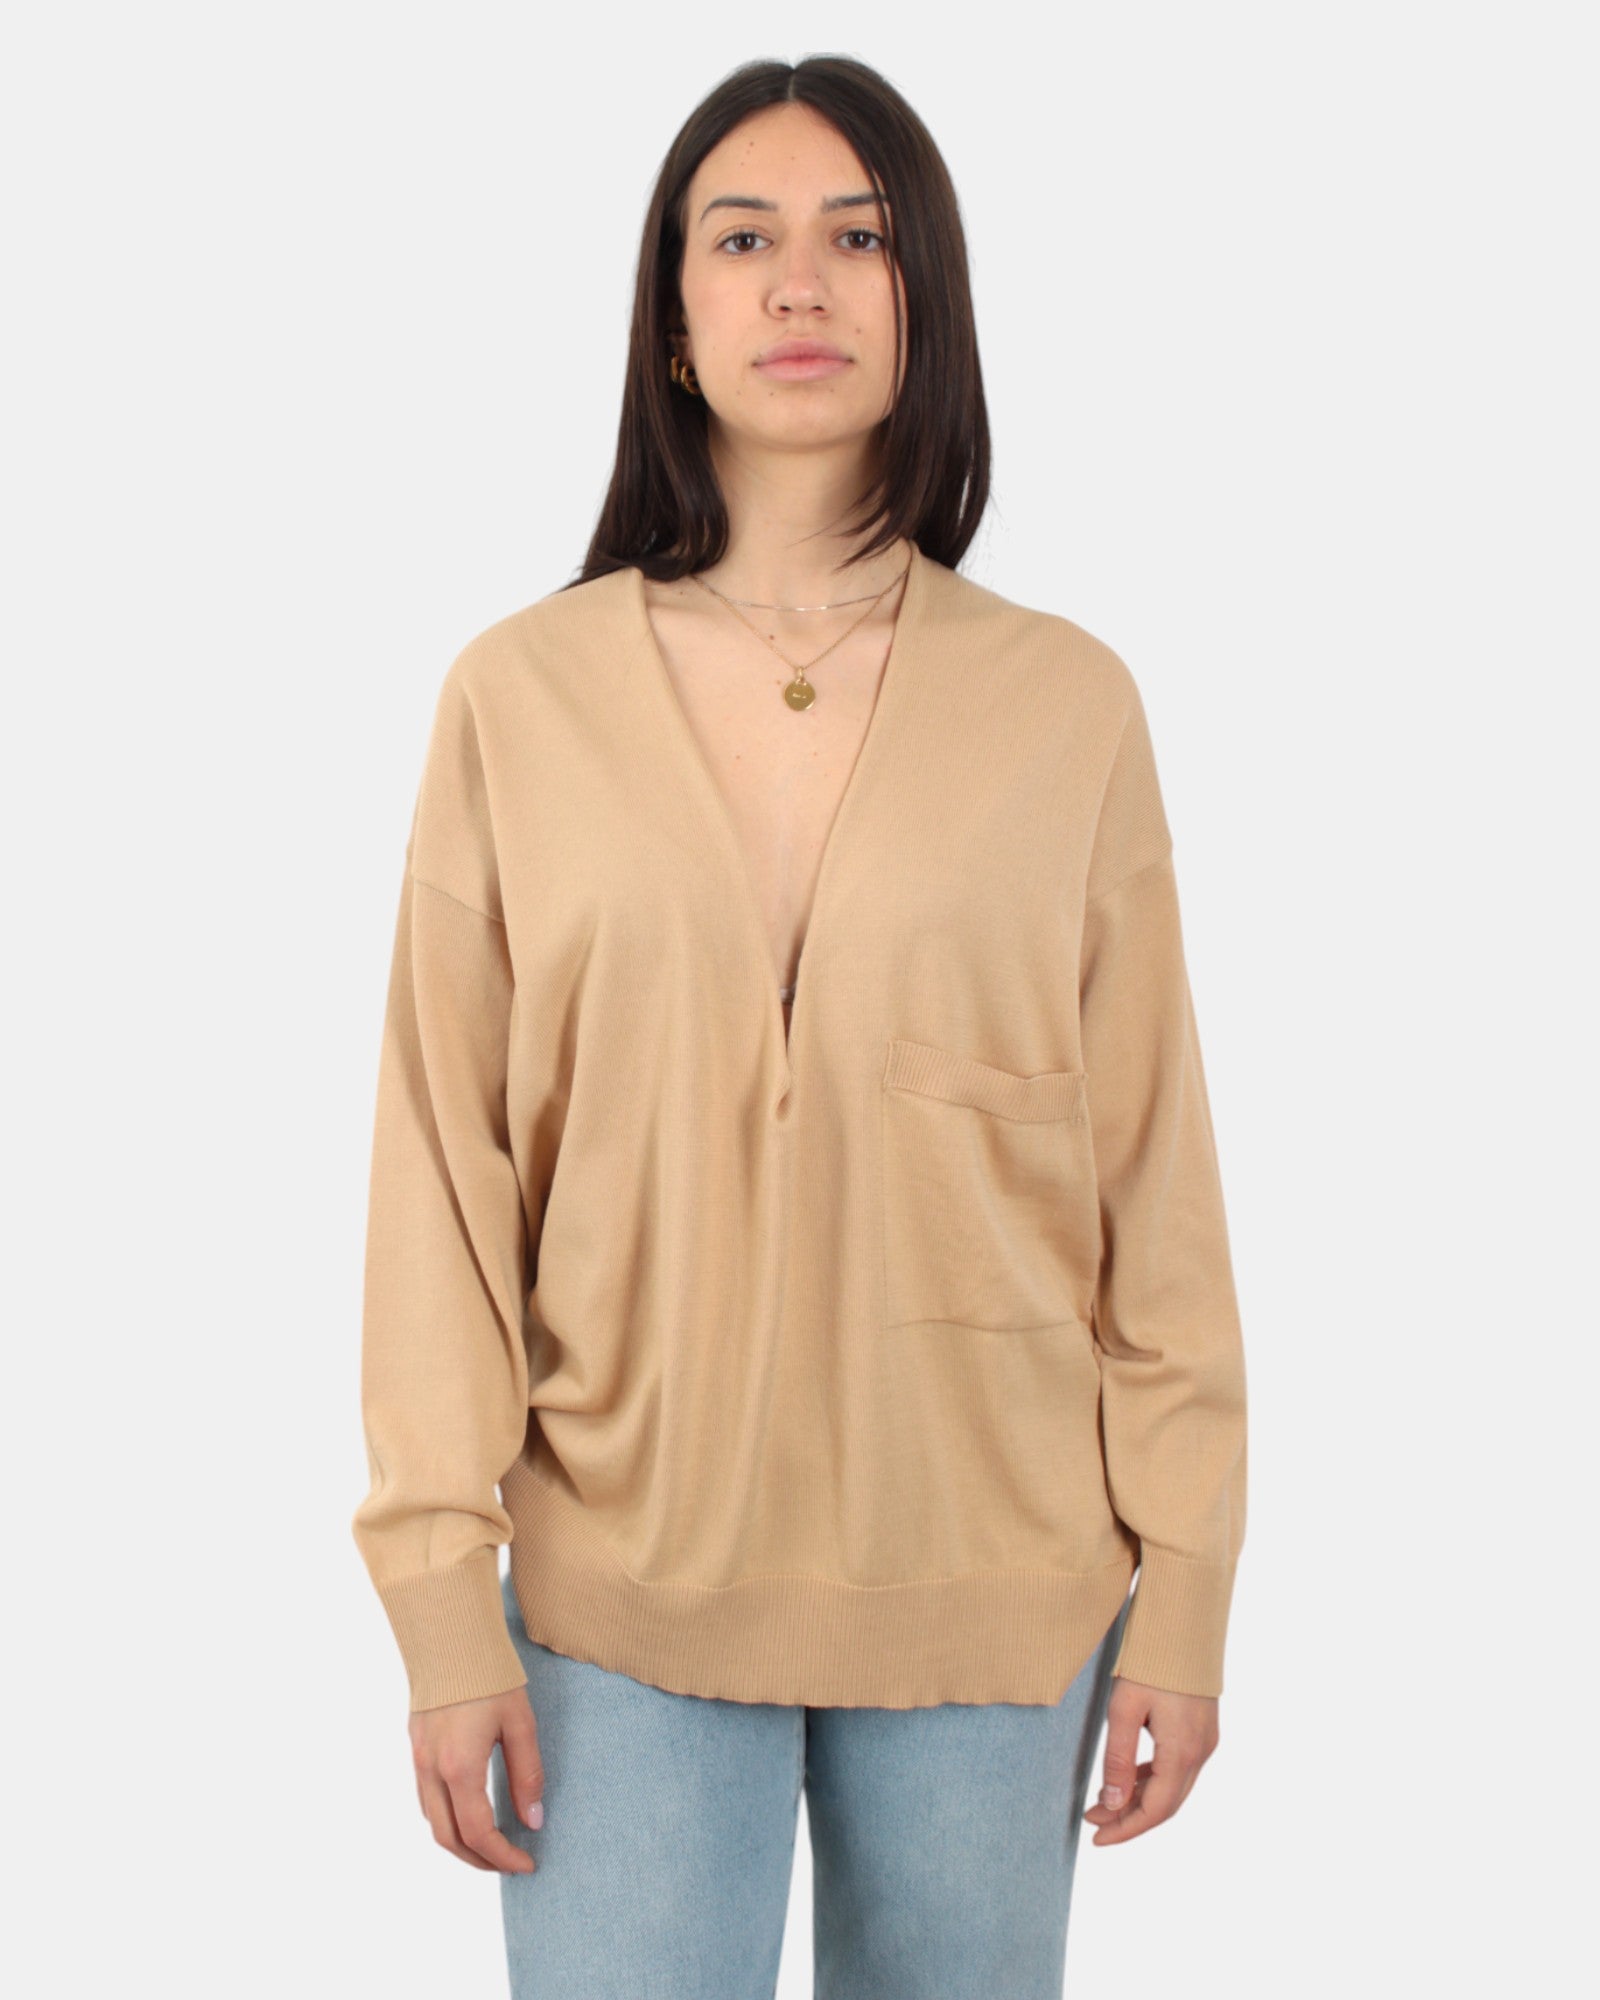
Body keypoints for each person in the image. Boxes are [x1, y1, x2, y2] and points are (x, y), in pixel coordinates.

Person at [352, 53, 1248, 1999]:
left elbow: (1150, 1179)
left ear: (924, 303)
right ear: (671, 317)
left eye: (859, 238)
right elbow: (441, 1176)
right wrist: (435, 1589)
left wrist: (1184, 1580)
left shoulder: (1067, 708)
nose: (800, 282)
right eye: (741, 237)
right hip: (614, 1588)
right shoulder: (516, 698)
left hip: (993, 1588)